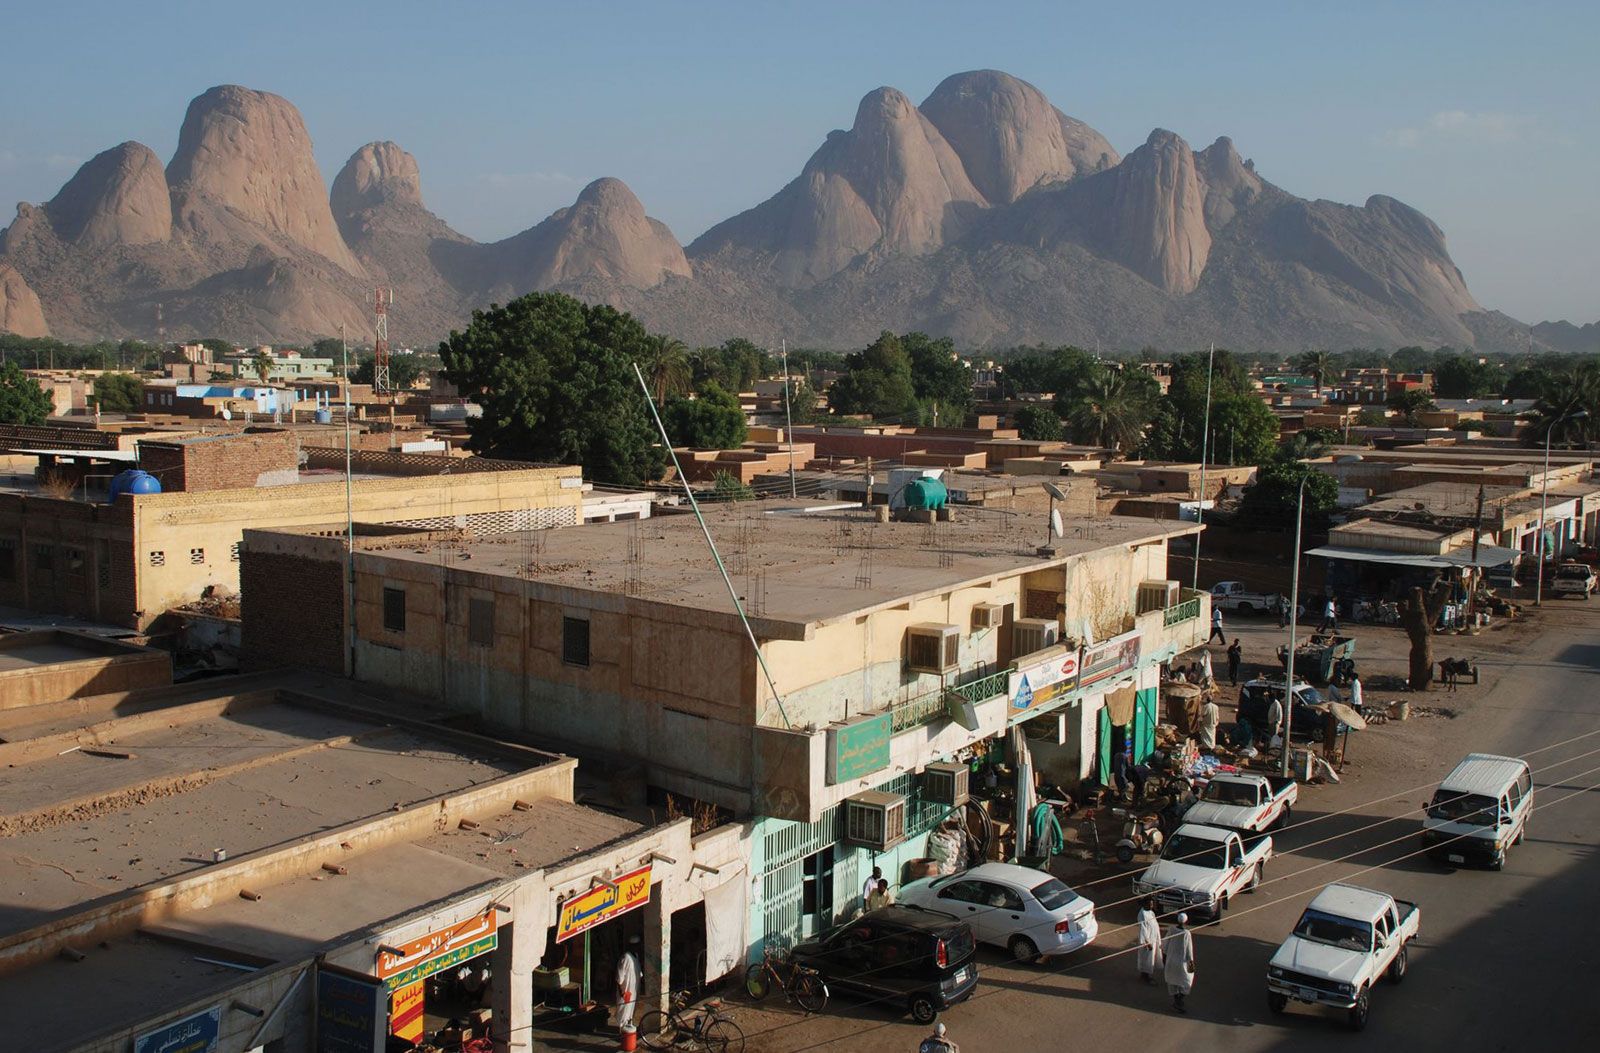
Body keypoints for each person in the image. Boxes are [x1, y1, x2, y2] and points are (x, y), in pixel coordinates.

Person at [1163, 912, 1195, 1013]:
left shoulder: (1171, 929)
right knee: (1187, 982)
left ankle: (1177, 1000)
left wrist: (1164, 957)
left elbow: (1165, 944)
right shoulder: (1186, 934)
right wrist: (1191, 963)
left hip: (1171, 961)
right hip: (1182, 963)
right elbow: (1189, 950)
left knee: (1172, 982)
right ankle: (1178, 1001)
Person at [616, 935, 641, 1031]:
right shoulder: (625, 957)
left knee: (630, 1011)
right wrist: (622, 992)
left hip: (634, 990)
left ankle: (628, 1030)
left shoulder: (636, 956)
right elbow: (619, 977)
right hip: (626, 990)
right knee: (623, 1012)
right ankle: (621, 1031)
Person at [1136, 898, 1164, 983]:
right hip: (1148, 940)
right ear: (1145, 904)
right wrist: (1147, 943)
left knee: (1150, 958)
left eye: (1152, 904)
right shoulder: (1142, 914)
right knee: (1146, 958)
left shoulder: (1151, 912)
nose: (1151, 906)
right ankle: (1145, 976)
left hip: (1153, 938)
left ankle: (1145, 975)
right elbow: (1143, 929)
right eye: (1150, 904)